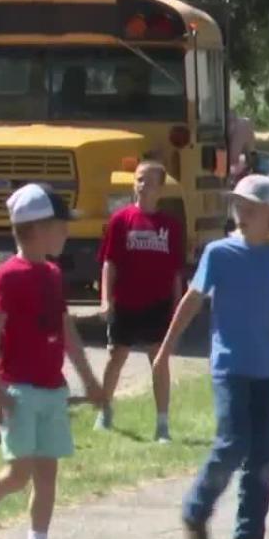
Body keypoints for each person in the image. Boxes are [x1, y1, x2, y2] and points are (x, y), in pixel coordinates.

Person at [153, 174, 269, 539]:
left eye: (249, 208)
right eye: (237, 206)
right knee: (232, 442)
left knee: (262, 457)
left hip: (266, 370)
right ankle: (196, 510)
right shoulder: (219, 254)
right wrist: (165, 350)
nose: (240, 214)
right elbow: (192, 301)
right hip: (229, 366)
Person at [0, 184, 106, 539]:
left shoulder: (53, 274)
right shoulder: (8, 276)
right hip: (17, 389)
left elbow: (66, 330)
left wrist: (88, 379)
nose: (67, 233)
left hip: (52, 389)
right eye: (61, 226)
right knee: (19, 473)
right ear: (37, 228)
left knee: (47, 476)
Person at [94, 160, 183, 442]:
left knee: (158, 359)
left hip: (156, 304)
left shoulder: (170, 226)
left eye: (149, 181)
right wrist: (105, 299)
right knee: (116, 356)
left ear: (160, 188)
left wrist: (177, 305)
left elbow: (176, 272)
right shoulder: (120, 220)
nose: (143, 185)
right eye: (139, 179)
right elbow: (109, 263)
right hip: (125, 302)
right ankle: (104, 410)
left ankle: (163, 424)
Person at [226, 110, 256, 182]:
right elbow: (251, 150)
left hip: (233, 169)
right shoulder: (245, 124)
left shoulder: (244, 125)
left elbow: (250, 150)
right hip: (233, 168)